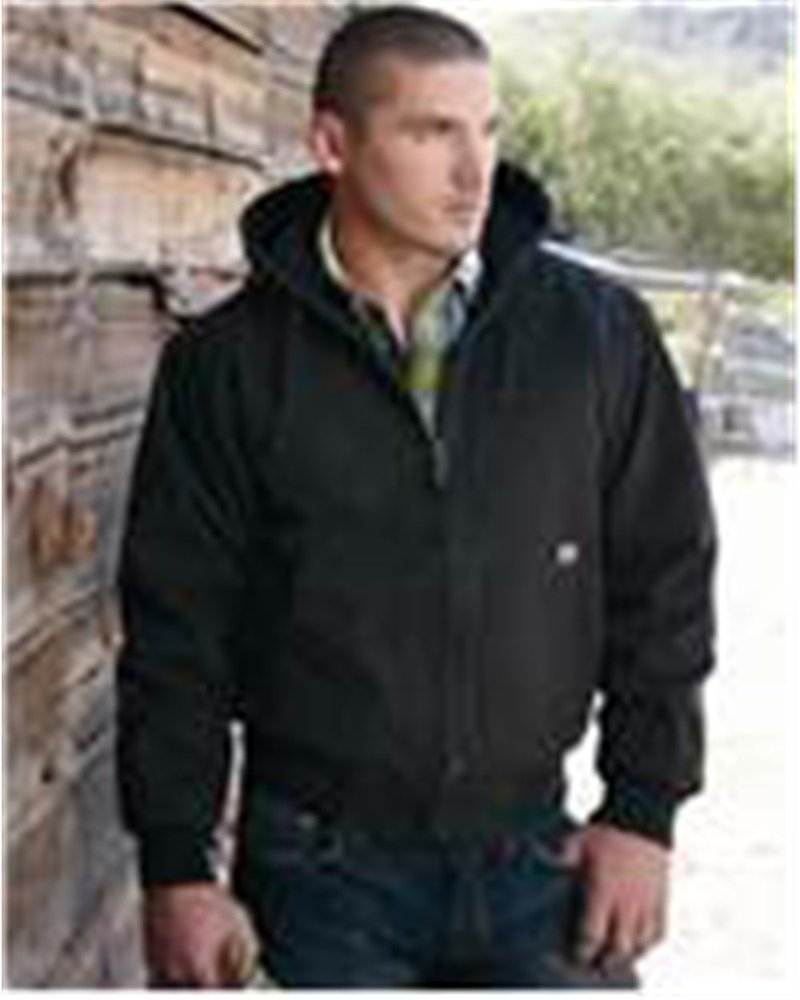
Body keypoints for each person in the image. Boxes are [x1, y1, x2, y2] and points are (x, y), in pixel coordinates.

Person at [115, 5, 716, 988]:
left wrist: (643, 809)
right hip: (316, 873)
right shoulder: (226, 365)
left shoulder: (595, 335)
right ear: (333, 144)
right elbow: (177, 627)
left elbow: (666, 579)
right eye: (432, 132)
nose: (474, 171)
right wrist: (176, 864)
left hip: (540, 860)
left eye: (487, 130)